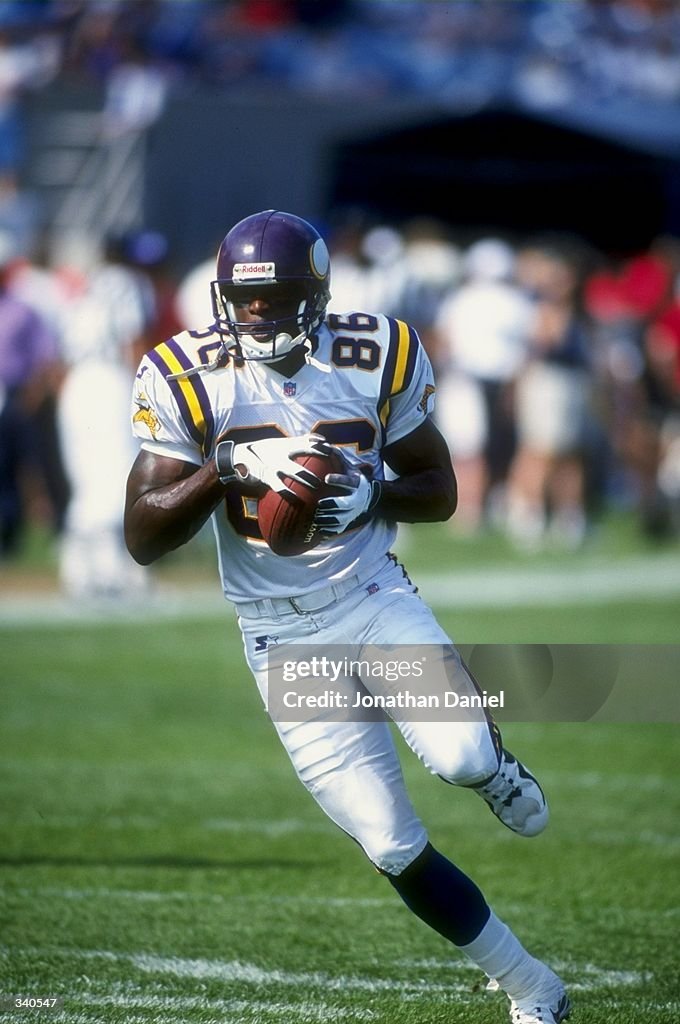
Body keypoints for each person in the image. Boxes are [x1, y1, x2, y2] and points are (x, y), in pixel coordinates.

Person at [124, 210, 570, 1024]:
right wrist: (220, 468)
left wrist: (374, 498)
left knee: (463, 756)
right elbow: (143, 537)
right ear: (224, 299)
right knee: (390, 842)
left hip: (372, 599)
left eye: (280, 298)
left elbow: (440, 489)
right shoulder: (186, 374)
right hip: (280, 635)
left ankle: (498, 769)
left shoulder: (375, 353)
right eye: (245, 302)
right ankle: (531, 987)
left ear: (318, 294)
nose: (259, 317)